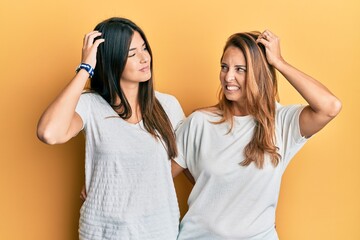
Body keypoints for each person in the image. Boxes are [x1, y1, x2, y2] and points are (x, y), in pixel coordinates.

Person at [171, 30, 342, 239]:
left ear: (258, 73)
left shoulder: (280, 122)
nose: (228, 76)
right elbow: (158, 178)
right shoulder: (200, 122)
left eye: (240, 69)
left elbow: (330, 106)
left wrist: (279, 62)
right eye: (224, 67)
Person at [37, 17, 184, 240]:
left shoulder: (168, 105)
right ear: (112, 60)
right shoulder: (90, 105)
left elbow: (186, 158)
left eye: (144, 48)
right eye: (132, 54)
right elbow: (49, 133)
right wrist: (86, 68)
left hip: (158, 229)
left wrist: (138, 184)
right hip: (103, 230)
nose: (145, 58)